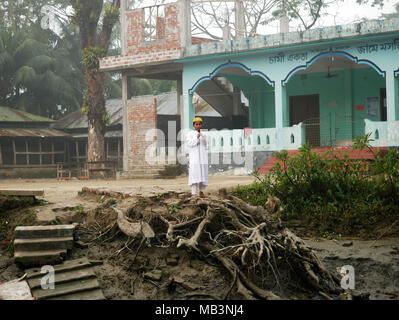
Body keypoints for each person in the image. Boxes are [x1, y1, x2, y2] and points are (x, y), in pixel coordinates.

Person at [186, 117, 208, 198]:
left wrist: (203, 137)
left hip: (203, 158)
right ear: (193, 125)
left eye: (199, 124)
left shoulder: (204, 134)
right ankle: (194, 194)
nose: (198, 126)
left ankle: (202, 192)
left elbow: (206, 144)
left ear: (201, 125)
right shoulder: (190, 134)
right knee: (194, 174)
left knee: (203, 174)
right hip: (194, 158)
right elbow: (190, 144)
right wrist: (196, 138)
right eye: (196, 124)